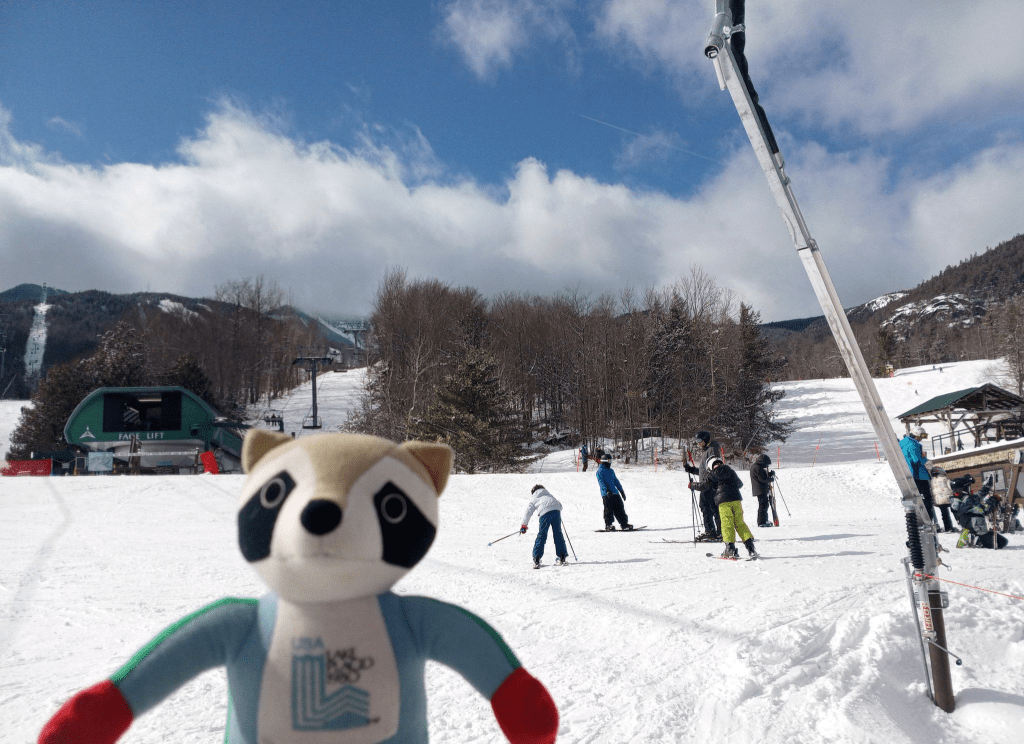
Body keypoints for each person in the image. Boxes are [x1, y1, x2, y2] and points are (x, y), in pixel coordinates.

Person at [707, 457, 758, 559]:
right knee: (740, 523)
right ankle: (751, 549)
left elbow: (704, 486)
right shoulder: (730, 471)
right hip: (736, 500)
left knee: (727, 525)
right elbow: (740, 484)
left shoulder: (712, 474)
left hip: (723, 502)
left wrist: (693, 485)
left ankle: (730, 549)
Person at [951, 475, 1007, 549]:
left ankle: (972, 538)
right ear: (963, 489)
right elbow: (982, 510)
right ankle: (973, 539)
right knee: (998, 544)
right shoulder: (964, 501)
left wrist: (987, 486)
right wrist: (991, 501)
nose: (970, 490)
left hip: (978, 528)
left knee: (1003, 542)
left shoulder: (962, 499)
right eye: (968, 487)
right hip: (977, 530)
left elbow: (979, 495)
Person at [520, 484, 569, 568]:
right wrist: (556, 509)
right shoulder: (548, 494)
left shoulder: (534, 497)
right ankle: (562, 557)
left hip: (544, 512)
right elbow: (560, 505)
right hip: (556, 511)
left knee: (542, 535)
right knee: (558, 534)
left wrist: (524, 525)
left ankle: (536, 558)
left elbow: (528, 512)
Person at [685, 431, 722, 541]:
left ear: (706, 439)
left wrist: (707, 482)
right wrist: (692, 470)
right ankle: (719, 532)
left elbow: (714, 469)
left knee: (707, 507)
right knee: (711, 507)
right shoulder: (707, 450)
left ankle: (711, 531)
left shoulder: (712, 450)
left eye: (700, 441)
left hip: (709, 485)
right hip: (707, 484)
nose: (698, 444)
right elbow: (704, 471)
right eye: (697, 441)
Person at [899, 425, 938, 526]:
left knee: (916, 499)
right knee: (927, 499)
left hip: (909, 474)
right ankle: (928, 521)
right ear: (916, 434)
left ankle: (917, 520)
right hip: (919, 475)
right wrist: (926, 460)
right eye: (921, 436)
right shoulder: (913, 444)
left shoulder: (903, 442)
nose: (922, 438)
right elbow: (916, 459)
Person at [596, 454, 632, 531]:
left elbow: (616, 481)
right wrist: (606, 490)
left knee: (620, 508)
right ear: (604, 461)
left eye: (611, 461)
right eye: (609, 461)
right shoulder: (600, 471)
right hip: (606, 494)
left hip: (615, 492)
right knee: (608, 509)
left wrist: (621, 491)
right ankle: (608, 525)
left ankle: (624, 524)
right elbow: (601, 482)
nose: (610, 463)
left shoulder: (611, 471)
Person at [929, 466, 957, 532]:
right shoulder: (945, 478)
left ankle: (947, 528)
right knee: (954, 510)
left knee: (944, 514)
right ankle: (958, 523)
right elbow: (950, 487)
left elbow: (932, 490)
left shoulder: (932, 481)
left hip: (939, 500)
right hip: (948, 498)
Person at [749, 453, 774, 528]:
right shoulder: (757, 468)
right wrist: (770, 479)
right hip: (760, 490)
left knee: (765, 504)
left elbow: (762, 476)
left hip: (760, 489)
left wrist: (770, 474)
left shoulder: (756, 467)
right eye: (766, 464)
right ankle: (761, 522)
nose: (766, 466)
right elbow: (762, 479)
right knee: (763, 505)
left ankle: (764, 520)